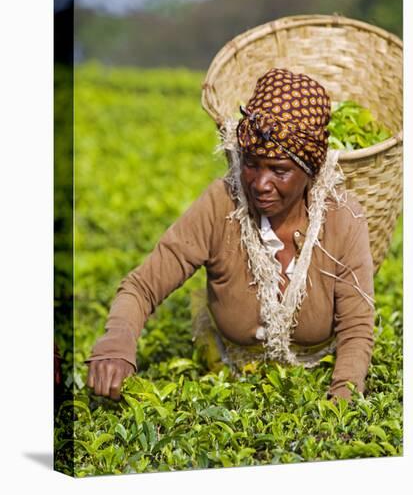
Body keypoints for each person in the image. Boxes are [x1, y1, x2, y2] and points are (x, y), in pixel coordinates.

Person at [85, 67, 375, 402]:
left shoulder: (342, 217)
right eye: (252, 163)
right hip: (226, 378)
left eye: (279, 170)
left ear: (310, 171)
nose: (260, 184)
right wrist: (115, 345)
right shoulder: (221, 203)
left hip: (319, 375)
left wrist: (343, 399)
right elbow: (142, 287)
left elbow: (356, 327)